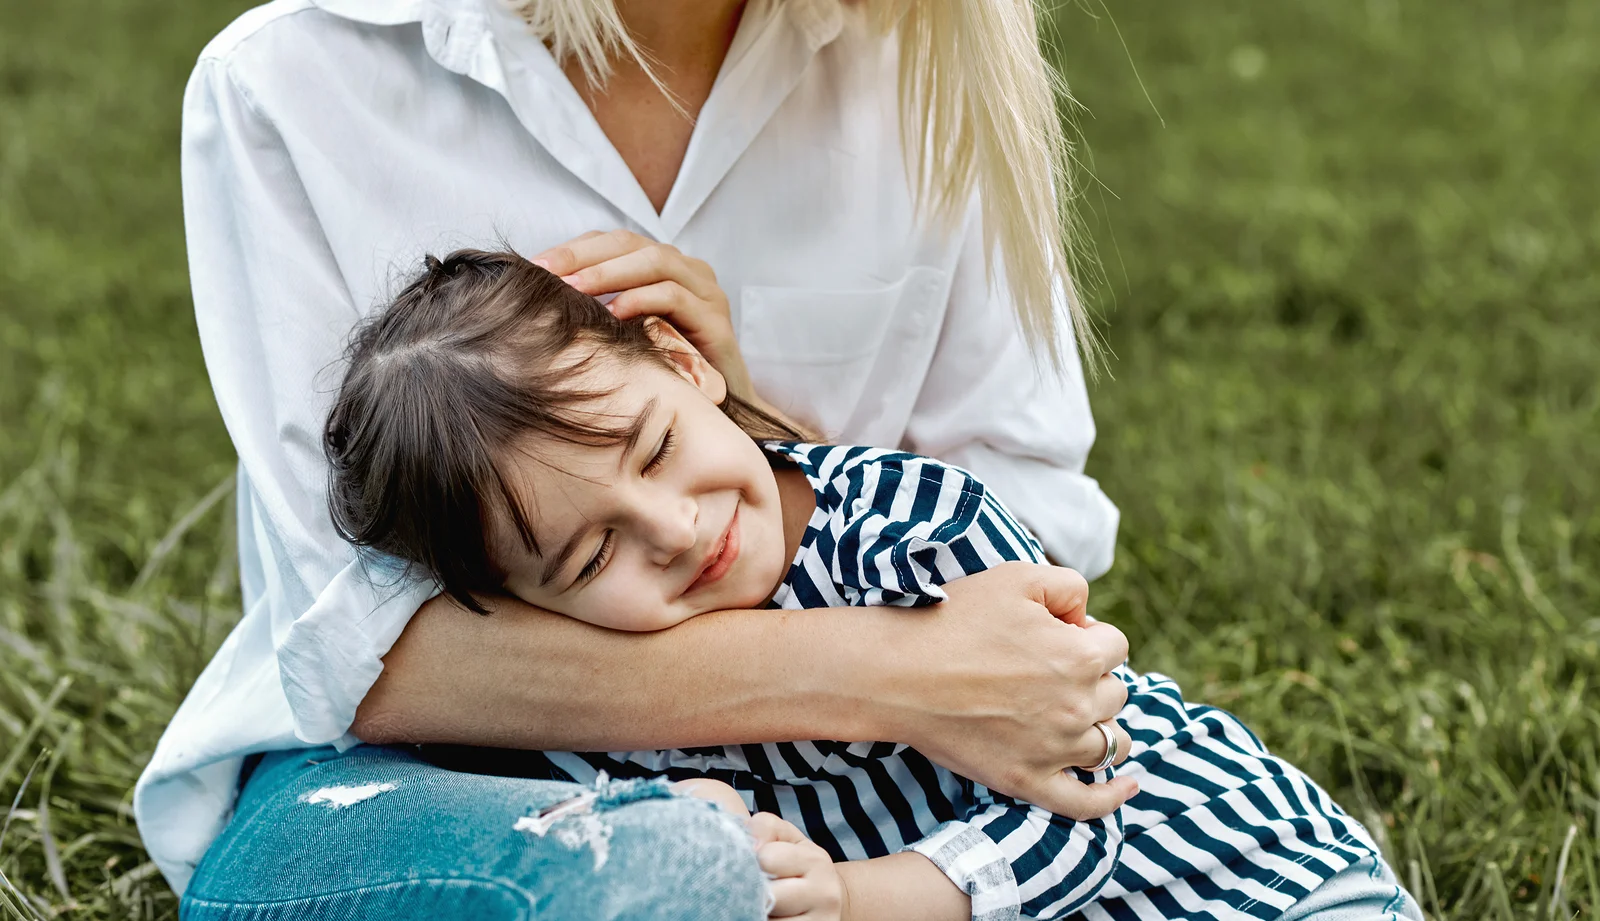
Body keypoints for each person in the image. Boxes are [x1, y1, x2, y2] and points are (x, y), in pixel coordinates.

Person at [134, 0, 1423, 918]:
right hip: (437, 774)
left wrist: (766, 424)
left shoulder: (923, 59)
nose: (672, 524)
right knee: (651, 871)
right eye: (591, 541)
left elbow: (1033, 562)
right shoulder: (296, 77)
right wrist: (883, 672)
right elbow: (356, 648)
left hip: (895, 799)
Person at [314, 246, 1398, 921]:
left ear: (688, 369)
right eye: (591, 556)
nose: (676, 529)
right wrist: (687, 821)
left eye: (652, 451)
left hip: (1231, 880)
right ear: (523, 604)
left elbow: (1090, 809)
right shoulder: (596, 682)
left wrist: (857, 898)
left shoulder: (910, 529)